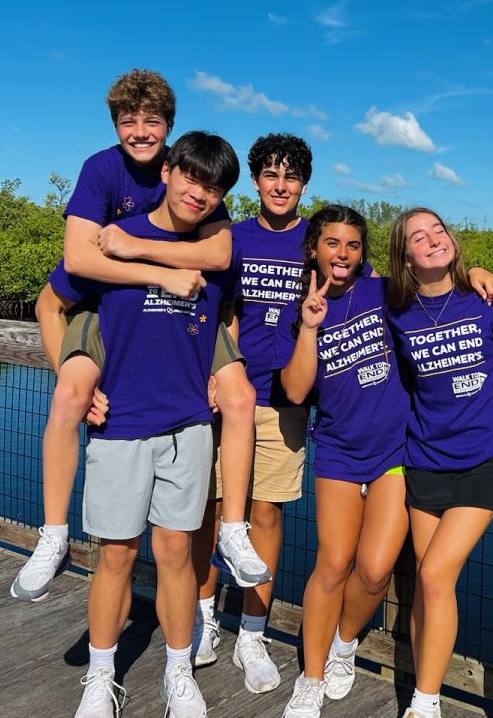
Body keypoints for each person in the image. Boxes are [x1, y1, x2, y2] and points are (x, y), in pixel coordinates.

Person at [11, 69, 267, 604]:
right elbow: (80, 259)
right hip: (108, 307)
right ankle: (53, 534)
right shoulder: (102, 169)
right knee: (70, 394)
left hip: (189, 312)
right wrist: (158, 272)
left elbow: (218, 256)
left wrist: (135, 248)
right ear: (115, 125)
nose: (141, 132)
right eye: (129, 122)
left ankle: (234, 529)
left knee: (241, 397)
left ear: (170, 129)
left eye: (152, 121)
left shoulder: (193, 172)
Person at [72, 131, 242, 718]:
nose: (200, 193)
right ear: (167, 171)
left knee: (176, 554)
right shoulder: (109, 240)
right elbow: (55, 303)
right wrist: (74, 377)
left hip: (190, 424)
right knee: (114, 554)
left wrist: (227, 368)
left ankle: (178, 670)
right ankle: (100, 677)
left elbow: (230, 314)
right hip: (120, 421)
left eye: (214, 187)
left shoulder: (215, 250)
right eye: (192, 177)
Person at [189, 133, 315, 694]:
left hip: (285, 401)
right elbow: (216, 310)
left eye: (290, 176)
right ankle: (204, 619)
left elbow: (380, 281)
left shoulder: (319, 241)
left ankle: (252, 633)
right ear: (257, 181)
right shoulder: (228, 236)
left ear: (303, 184)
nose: (280, 185)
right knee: (210, 513)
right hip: (226, 396)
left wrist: (472, 275)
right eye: (269, 174)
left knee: (264, 516)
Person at [277, 205, 412, 718]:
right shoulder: (305, 305)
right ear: (314, 247)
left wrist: (485, 276)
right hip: (337, 450)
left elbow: (439, 289)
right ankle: (310, 679)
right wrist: (310, 326)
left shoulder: (382, 292)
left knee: (375, 570)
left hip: (395, 450)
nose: (343, 254)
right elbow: (293, 390)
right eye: (333, 243)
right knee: (333, 564)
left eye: (353, 245)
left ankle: (345, 642)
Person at [384, 208, 493, 718]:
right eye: (419, 237)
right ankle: (421, 689)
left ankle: (426, 702)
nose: (433, 240)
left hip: (483, 463)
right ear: (406, 258)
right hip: (424, 460)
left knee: (433, 575)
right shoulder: (398, 314)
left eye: (439, 231)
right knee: (428, 590)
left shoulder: (488, 301)